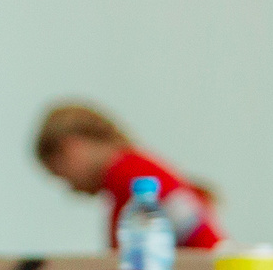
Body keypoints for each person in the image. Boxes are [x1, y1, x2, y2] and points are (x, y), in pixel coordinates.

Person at [34, 102, 221, 249]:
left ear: (71, 149)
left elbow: (202, 240)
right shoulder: (132, 171)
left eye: (62, 176)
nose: (71, 188)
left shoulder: (130, 175)